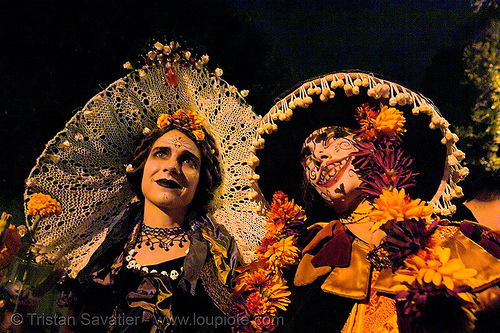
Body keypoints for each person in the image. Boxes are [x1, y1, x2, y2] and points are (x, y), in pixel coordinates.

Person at [19, 41, 266, 333]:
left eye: (188, 161)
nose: (172, 167)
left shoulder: (217, 259)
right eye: (161, 153)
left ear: (202, 182)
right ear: (141, 166)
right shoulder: (102, 254)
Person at [242, 71, 500, 333]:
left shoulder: (455, 239)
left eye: (331, 141)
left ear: (372, 144)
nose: (318, 158)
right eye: (307, 159)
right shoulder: (306, 261)